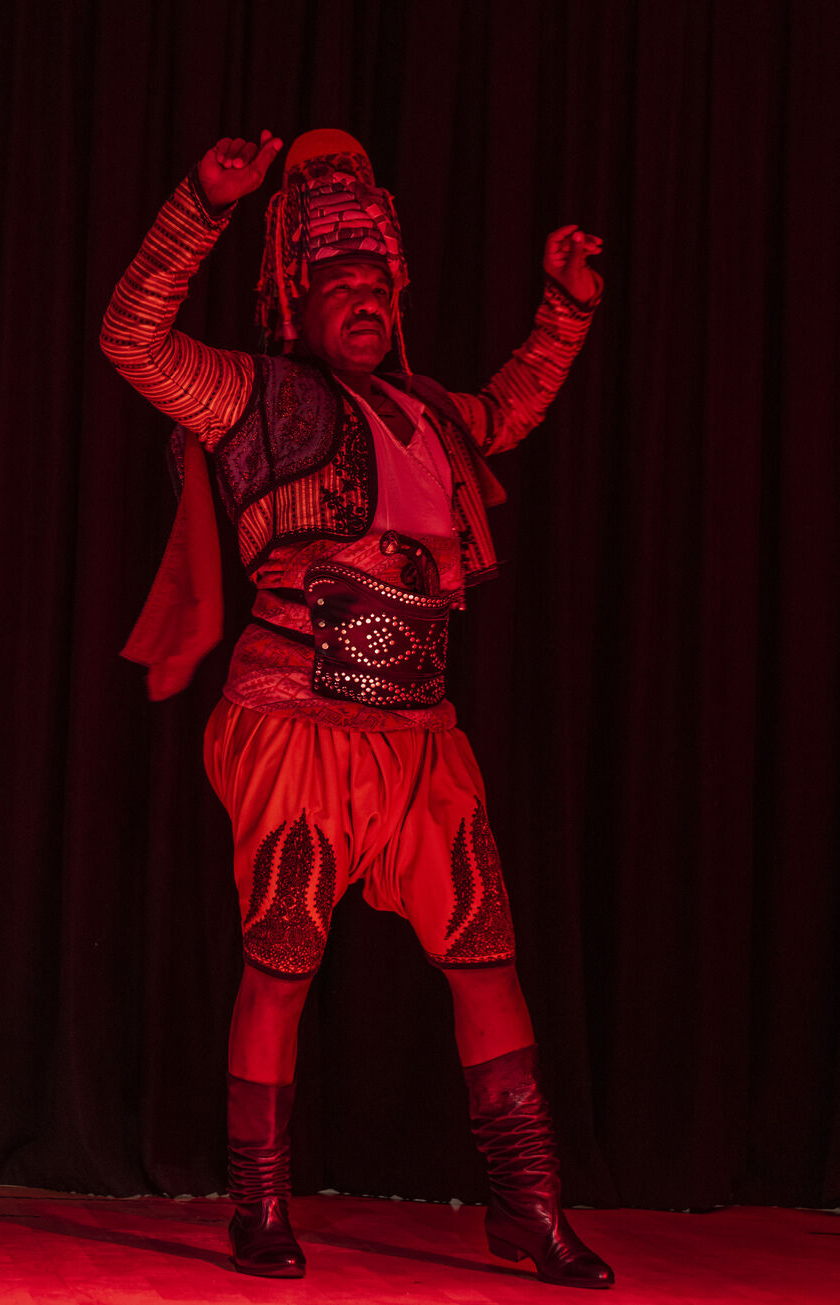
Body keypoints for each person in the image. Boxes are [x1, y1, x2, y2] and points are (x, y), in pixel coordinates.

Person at [101, 127, 613, 1290]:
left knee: (486, 956)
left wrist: (567, 308)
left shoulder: (429, 412)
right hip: (293, 718)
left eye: (379, 282)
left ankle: (528, 1211)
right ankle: (259, 1209)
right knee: (281, 959)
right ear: (296, 296)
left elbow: (511, 406)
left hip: (421, 735)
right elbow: (131, 337)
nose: (367, 299)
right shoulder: (249, 393)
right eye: (341, 282)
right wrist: (200, 204)